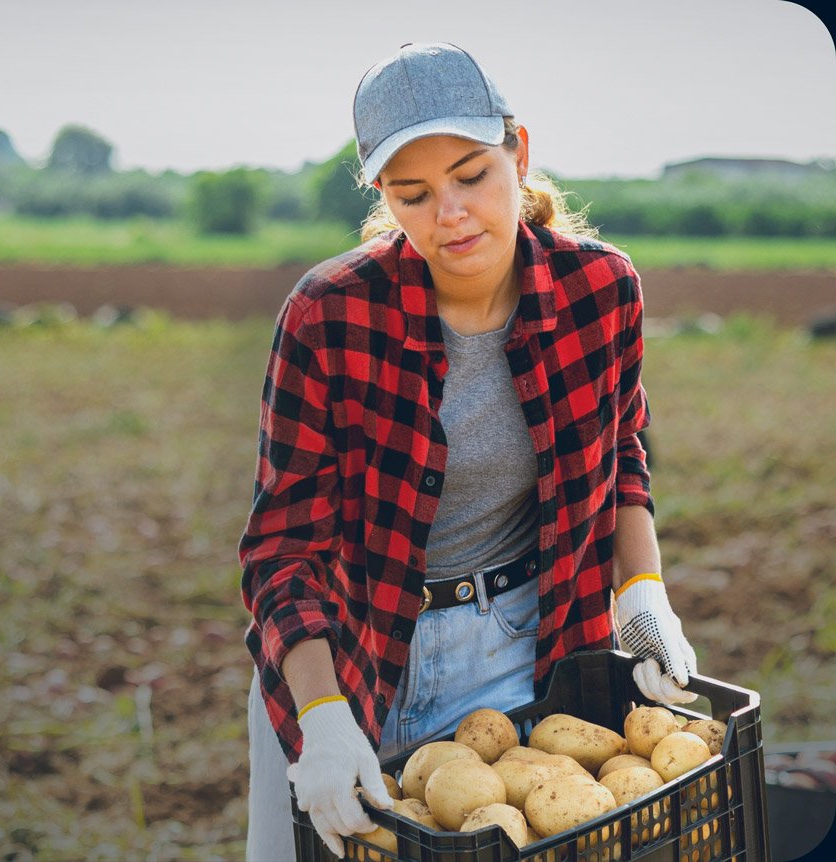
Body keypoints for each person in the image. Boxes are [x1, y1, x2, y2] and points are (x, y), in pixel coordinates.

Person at [238, 42, 699, 860]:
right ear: (382, 195)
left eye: (472, 175)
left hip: (525, 651)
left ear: (518, 152)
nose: (450, 213)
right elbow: (282, 551)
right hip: (346, 659)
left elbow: (619, 449)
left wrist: (643, 592)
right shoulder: (328, 316)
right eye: (413, 194)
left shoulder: (602, 289)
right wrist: (322, 719)